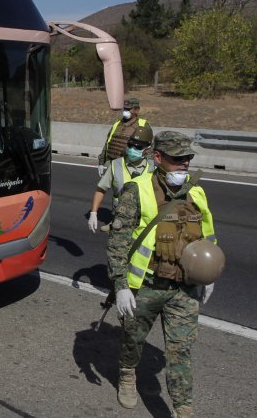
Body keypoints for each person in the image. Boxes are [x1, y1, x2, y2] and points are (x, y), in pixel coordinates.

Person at [106, 131, 220, 418]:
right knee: (134, 340)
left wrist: (210, 274)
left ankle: (183, 409)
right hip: (145, 287)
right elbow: (119, 242)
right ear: (158, 158)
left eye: (188, 159)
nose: (185, 164)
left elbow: (207, 234)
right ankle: (128, 373)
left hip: (185, 288)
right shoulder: (137, 190)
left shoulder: (196, 191)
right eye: (178, 159)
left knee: (180, 351)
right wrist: (120, 284)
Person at [87, 126, 155, 233]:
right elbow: (101, 190)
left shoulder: (153, 168)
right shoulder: (116, 164)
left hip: (144, 222)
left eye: (138, 147)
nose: (133, 149)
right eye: (130, 145)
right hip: (120, 220)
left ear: (147, 149)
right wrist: (93, 213)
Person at [98, 98, 150, 176]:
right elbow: (108, 143)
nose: (125, 111)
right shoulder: (117, 124)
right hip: (113, 165)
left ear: (137, 110)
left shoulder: (143, 125)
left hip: (130, 167)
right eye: (125, 109)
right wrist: (101, 162)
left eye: (128, 109)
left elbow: (148, 149)